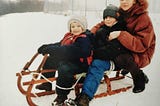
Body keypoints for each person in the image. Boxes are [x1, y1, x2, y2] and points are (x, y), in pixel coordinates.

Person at [74, 0, 156, 106]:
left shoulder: (143, 18)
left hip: (140, 51)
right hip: (121, 48)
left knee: (120, 59)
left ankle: (138, 76)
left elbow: (142, 45)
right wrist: (88, 36)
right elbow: (102, 24)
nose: (124, 1)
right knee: (107, 55)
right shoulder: (119, 13)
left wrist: (121, 34)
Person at [36, 15, 93, 106]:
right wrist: (47, 47)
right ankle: (46, 84)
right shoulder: (69, 35)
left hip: (81, 64)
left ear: (83, 27)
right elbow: (61, 45)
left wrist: (53, 50)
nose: (75, 29)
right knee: (50, 60)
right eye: (73, 26)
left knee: (64, 69)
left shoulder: (84, 39)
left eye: (78, 26)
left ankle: (62, 95)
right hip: (70, 60)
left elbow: (69, 50)